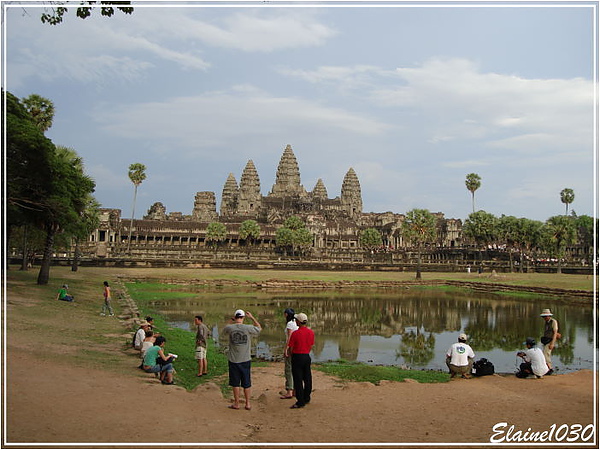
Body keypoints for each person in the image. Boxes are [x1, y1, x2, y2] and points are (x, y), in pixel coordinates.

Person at [221, 309, 261, 410]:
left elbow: (224, 329)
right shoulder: (248, 328)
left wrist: (231, 320)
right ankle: (248, 403)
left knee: (235, 383)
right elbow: (259, 328)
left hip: (233, 360)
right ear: (243, 317)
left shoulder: (230, 328)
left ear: (235, 317)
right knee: (246, 383)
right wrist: (252, 317)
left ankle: (237, 403)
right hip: (245, 359)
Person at [285, 312, 315, 409]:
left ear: (299, 321)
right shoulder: (311, 332)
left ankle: (300, 401)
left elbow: (291, 347)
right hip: (306, 356)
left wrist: (290, 354)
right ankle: (307, 397)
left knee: (298, 379)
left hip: (297, 356)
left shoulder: (295, 333)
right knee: (307, 378)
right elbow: (311, 345)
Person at [280, 308, 298, 400]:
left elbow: (289, 337)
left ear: (286, 314)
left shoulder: (290, 324)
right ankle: (295, 390)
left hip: (291, 348)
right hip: (297, 348)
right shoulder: (296, 322)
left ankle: (289, 391)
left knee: (288, 369)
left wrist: (286, 349)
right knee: (295, 369)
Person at [540, 308, 560, 374]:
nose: (544, 318)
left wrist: (552, 343)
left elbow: (555, 332)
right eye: (544, 316)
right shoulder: (546, 322)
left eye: (546, 316)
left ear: (549, 316)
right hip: (547, 340)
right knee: (545, 354)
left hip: (551, 340)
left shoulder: (553, 322)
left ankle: (550, 369)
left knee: (546, 354)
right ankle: (547, 368)